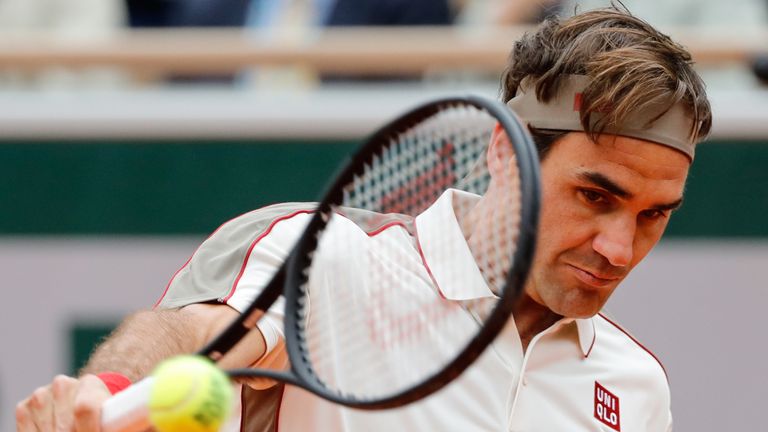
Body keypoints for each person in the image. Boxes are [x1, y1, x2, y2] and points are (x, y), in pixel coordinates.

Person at [15, 5, 711, 432]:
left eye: (655, 215)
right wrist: (105, 397)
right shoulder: (327, 260)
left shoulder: (633, 387)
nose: (620, 247)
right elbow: (193, 334)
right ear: (505, 151)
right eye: (595, 196)